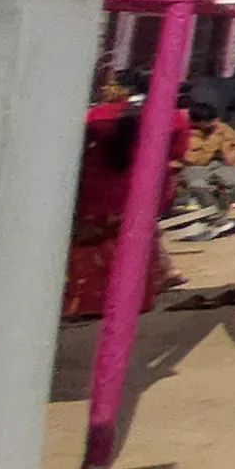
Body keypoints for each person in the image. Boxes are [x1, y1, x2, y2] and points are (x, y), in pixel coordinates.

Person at [63, 91, 176, 318]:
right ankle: (134, 300)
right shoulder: (148, 155)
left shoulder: (90, 155)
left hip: (92, 217)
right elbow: (163, 187)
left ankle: (85, 305)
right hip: (132, 217)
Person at [173, 101, 235, 239]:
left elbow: (233, 150)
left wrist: (229, 153)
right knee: (198, 186)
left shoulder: (222, 128)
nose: (216, 122)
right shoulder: (184, 131)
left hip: (217, 164)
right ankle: (218, 220)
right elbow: (188, 157)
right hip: (193, 166)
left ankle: (218, 215)